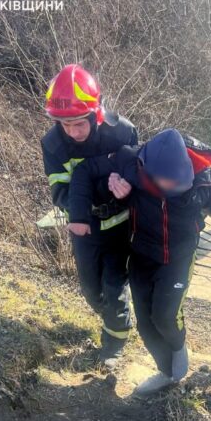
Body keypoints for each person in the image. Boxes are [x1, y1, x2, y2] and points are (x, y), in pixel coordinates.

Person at [71, 129, 211, 395]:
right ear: (146, 170)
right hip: (141, 252)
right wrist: (82, 213)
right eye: (169, 184)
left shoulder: (207, 176)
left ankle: (179, 359)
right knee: (145, 323)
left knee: (165, 317)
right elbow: (84, 171)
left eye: (181, 183)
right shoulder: (130, 160)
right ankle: (167, 372)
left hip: (179, 255)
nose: (177, 188)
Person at [41, 63, 138, 368]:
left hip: (121, 225)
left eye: (79, 123)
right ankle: (113, 314)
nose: (72, 132)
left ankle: (115, 343)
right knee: (91, 291)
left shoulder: (121, 131)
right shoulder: (53, 144)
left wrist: (127, 188)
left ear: (95, 113)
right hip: (84, 228)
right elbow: (59, 194)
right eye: (64, 124)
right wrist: (96, 187)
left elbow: (140, 176)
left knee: (113, 283)